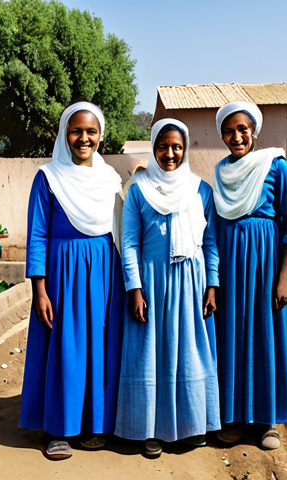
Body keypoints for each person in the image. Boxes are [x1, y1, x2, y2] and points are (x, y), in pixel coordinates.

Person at [19, 102, 125, 460]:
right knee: (66, 348)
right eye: (76, 131)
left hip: (103, 271)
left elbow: (122, 230)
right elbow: (36, 235)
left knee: (99, 347)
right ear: (65, 134)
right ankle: (58, 430)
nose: (84, 138)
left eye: (91, 132)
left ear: (101, 135)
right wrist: (39, 289)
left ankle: (95, 425)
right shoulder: (48, 177)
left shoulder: (110, 178)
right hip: (63, 274)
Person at [115, 119, 221, 458]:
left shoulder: (200, 189)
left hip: (191, 280)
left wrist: (212, 284)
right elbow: (130, 242)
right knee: (151, 353)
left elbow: (210, 242)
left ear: (185, 148)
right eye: (163, 146)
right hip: (151, 281)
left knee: (189, 349)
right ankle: (150, 430)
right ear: (153, 147)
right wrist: (134, 287)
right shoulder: (138, 189)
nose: (170, 153)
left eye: (177, 147)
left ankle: (191, 426)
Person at [212, 101, 287, 450]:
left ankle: (268, 421)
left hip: (265, 270)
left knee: (265, 338)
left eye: (243, 129)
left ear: (255, 132)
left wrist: (284, 277)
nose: (236, 136)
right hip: (230, 271)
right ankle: (234, 418)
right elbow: (214, 226)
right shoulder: (220, 172)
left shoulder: (275, 166)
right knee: (233, 338)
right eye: (229, 130)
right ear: (222, 134)